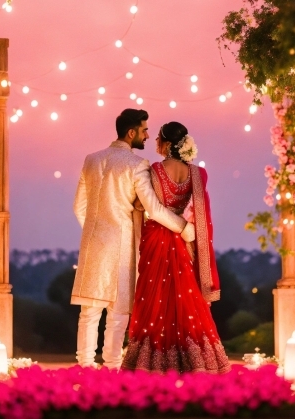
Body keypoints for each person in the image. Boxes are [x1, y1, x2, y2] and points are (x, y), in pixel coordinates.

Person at [71, 108, 196, 369]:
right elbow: (153, 208)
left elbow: (79, 208)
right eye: (144, 130)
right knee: (118, 313)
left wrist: (96, 230)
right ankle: (112, 367)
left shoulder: (91, 159)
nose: (148, 135)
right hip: (122, 246)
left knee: (89, 311)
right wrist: (183, 227)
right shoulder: (136, 165)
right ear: (131, 133)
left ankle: (84, 367)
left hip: (92, 244)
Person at [122, 121, 230, 373]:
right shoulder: (197, 174)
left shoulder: (155, 170)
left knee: (156, 297)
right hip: (185, 241)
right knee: (185, 296)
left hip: (157, 240)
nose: (155, 142)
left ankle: (151, 364)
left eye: (158, 138)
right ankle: (196, 362)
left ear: (168, 144)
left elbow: (141, 204)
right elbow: (199, 211)